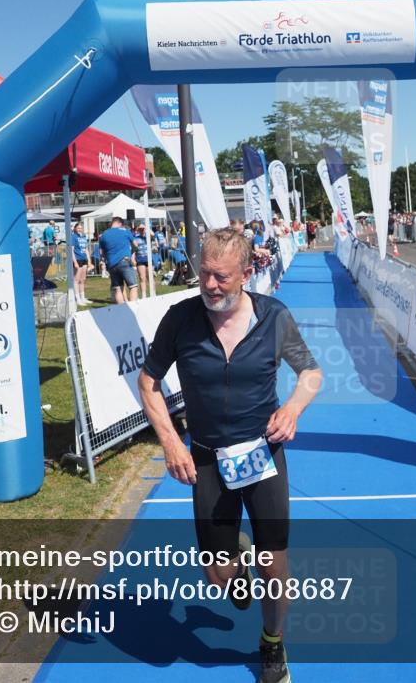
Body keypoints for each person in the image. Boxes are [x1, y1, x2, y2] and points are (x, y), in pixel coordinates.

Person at [138, 227, 322, 683]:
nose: (210, 285)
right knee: (218, 576)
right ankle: (234, 563)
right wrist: (171, 442)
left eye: (221, 276)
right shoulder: (180, 319)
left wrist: (292, 409)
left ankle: (272, 643)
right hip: (206, 459)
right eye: (204, 273)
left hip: (262, 456)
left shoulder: (273, 317)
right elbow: (148, 383)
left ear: (245, 273)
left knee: (273, 564)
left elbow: (310, 373)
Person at [98, 217, 138, 304]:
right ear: (120, 224)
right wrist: (132, 252)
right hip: (124, 261)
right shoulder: (125, 231)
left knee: (118, 288)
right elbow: (135, 244)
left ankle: (121, 309)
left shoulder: (104, 234)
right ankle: (133, 308)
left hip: (111, 265)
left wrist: (104, 261)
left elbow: (101, 252)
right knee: (133, 286)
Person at [70, 223, 92, 305]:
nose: (80, 229)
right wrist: (75, 262)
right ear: (75, 228)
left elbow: (86, 249)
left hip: (84, 259)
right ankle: (77, 298)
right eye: (78, 228)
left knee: (83, 279)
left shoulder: (83, 236)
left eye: (81, 228)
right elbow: (71, 250)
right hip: (78, 259)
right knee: (77, 279)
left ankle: (83, 297)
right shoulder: (73, 237)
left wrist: (89, 260)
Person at [134, 223, 151, 299]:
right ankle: (144, 296)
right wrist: (133, 259)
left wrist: (146, 228)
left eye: (142, 229)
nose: (141, 230)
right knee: (142, 277)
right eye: (140, 229)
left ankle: (153, 293)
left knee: (150, 277)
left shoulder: (148, 236)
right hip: (140, 259)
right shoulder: (135, 238)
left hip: (149, 259)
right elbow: (134, 249)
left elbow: (153, 234)